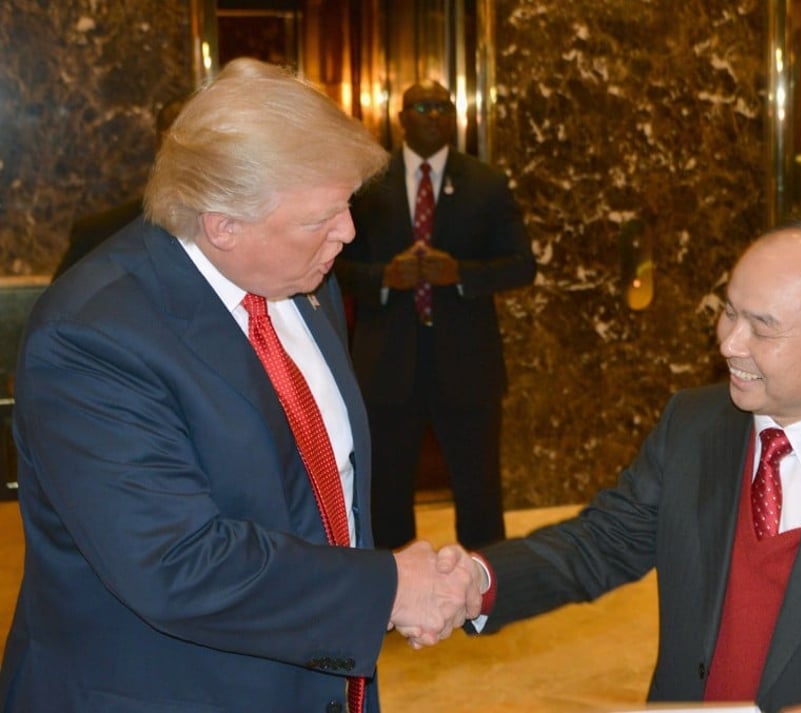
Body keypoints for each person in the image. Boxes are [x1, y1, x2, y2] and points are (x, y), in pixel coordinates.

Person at [0, 58, 482, 712]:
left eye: (346, 206)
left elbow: (321, 491)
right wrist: (388, 589)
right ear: (222, 222)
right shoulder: (92, 338)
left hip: (326, 681)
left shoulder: (305, 280)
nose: (348, 232)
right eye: (324, 216)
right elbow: (178, 561)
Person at [458, 218, 801, 712]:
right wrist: (476, 583)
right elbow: (600, 543)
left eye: (762, 327)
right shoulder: (694, 426)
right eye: (729, 311)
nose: (728, 342)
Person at [336, 80, 536, 551]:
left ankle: (484, 595)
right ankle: (396, 594)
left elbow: (522, 265)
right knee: (386, 491)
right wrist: (386, 277)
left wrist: (460, 273)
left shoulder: (487, 183)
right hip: (386, 363)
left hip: (467, 363)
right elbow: (334, 269)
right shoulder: (367, 184)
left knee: (479, 488)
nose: (433, 115)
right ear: (401, 118)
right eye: (422, 107)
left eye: (443, 107)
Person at [53, 96, 187, 278]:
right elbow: (64, 305)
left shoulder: (236, 238)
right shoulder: (99, 238)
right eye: (184, 147)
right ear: (160, 149)